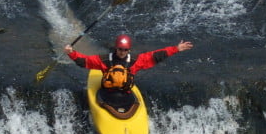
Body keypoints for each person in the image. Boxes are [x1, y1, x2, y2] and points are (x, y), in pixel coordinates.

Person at [63, 34, 193, 89]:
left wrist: (176, 49)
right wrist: (71, 53)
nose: (122, 52)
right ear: (116, 48)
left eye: (125, 50)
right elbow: (83, 61)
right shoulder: (104, 60)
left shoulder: (136, 60)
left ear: (129, 49)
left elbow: (156, 56)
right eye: (120, 49)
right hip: (108, 92)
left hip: (124, 92)